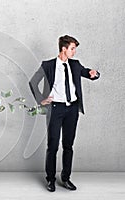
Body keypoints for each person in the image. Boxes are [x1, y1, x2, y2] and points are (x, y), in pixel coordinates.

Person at [29, 35, 100, 192]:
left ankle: (66, 178)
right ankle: (51, 180)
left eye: (75, 49)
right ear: (64, 49)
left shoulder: (75, 65)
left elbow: (86, 72)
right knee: (52, 146)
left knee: (68, 145)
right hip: (55, 109)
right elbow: (33, 82)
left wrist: (94, 74)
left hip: (72, 110)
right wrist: (41, 99)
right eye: (72, 48)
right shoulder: (48, 65)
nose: (74, 52)